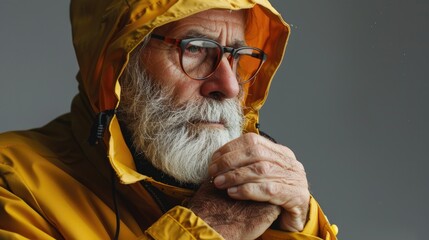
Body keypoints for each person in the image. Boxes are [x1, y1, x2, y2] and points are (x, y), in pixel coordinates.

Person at [0, 0, 338, 239]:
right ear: (118, 63)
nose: (229, 85)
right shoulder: (13, 181)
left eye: (237, 56)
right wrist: (205, 230)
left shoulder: (259, 186)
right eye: (194, 48)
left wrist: (299, 230)